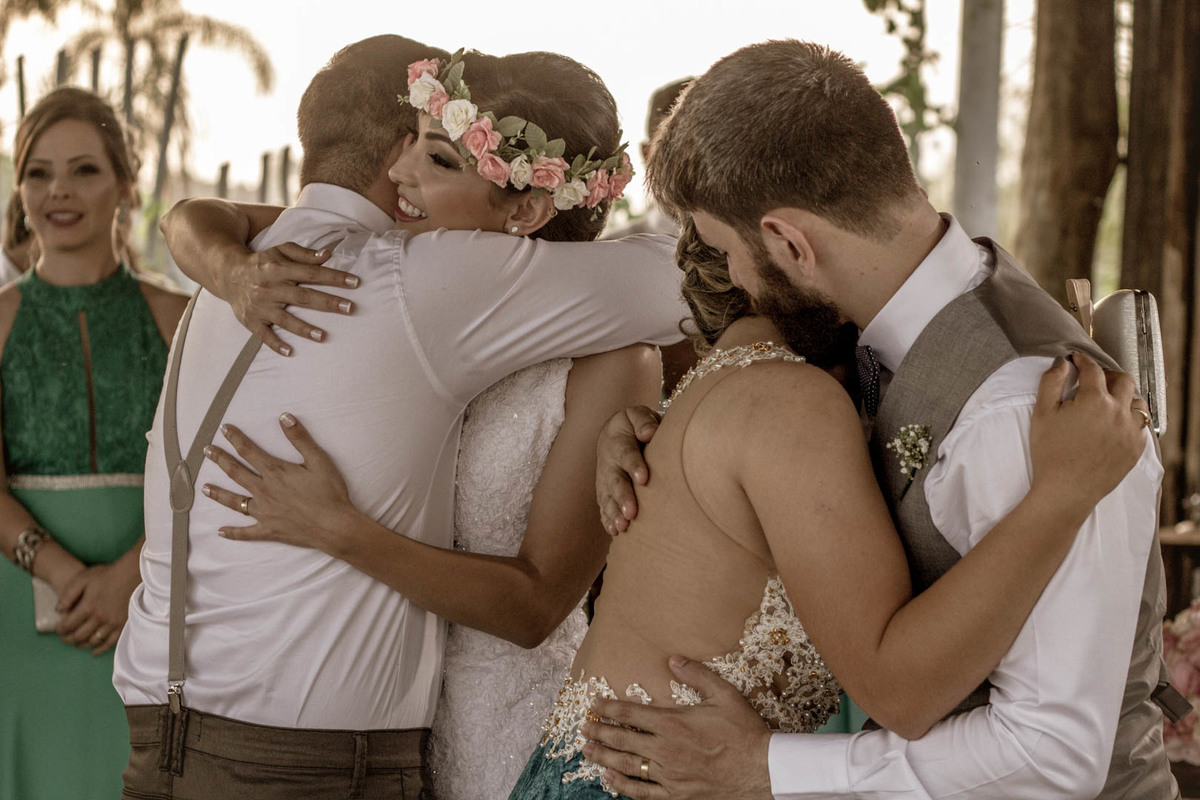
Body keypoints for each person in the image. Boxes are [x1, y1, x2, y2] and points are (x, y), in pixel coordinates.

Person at [583, 40, 1178, 799]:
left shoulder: (1014, 406)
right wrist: (660, 452)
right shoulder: (878, 341)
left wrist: (759, 767)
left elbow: (1053, 753)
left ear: (790, 241)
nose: (730, 278)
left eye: (728, 251)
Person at [114, 37, 687, 798]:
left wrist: (207, 240)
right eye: (413, 147)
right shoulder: (411, 282)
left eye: (439, 156)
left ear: (528, 201)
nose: (402, 174)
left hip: (192, 733)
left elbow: (703, 271)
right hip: (320, 749)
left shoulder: (257, 271)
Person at [0, 87, 188, 800]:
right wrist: (64, 575)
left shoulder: (180, 320)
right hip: (20, 616)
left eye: (84, 170)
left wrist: (130, 577)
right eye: (39, 173)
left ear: (125, 184)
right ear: (20, 189)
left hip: (158, 605)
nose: (59, 191)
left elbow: (209, 476)